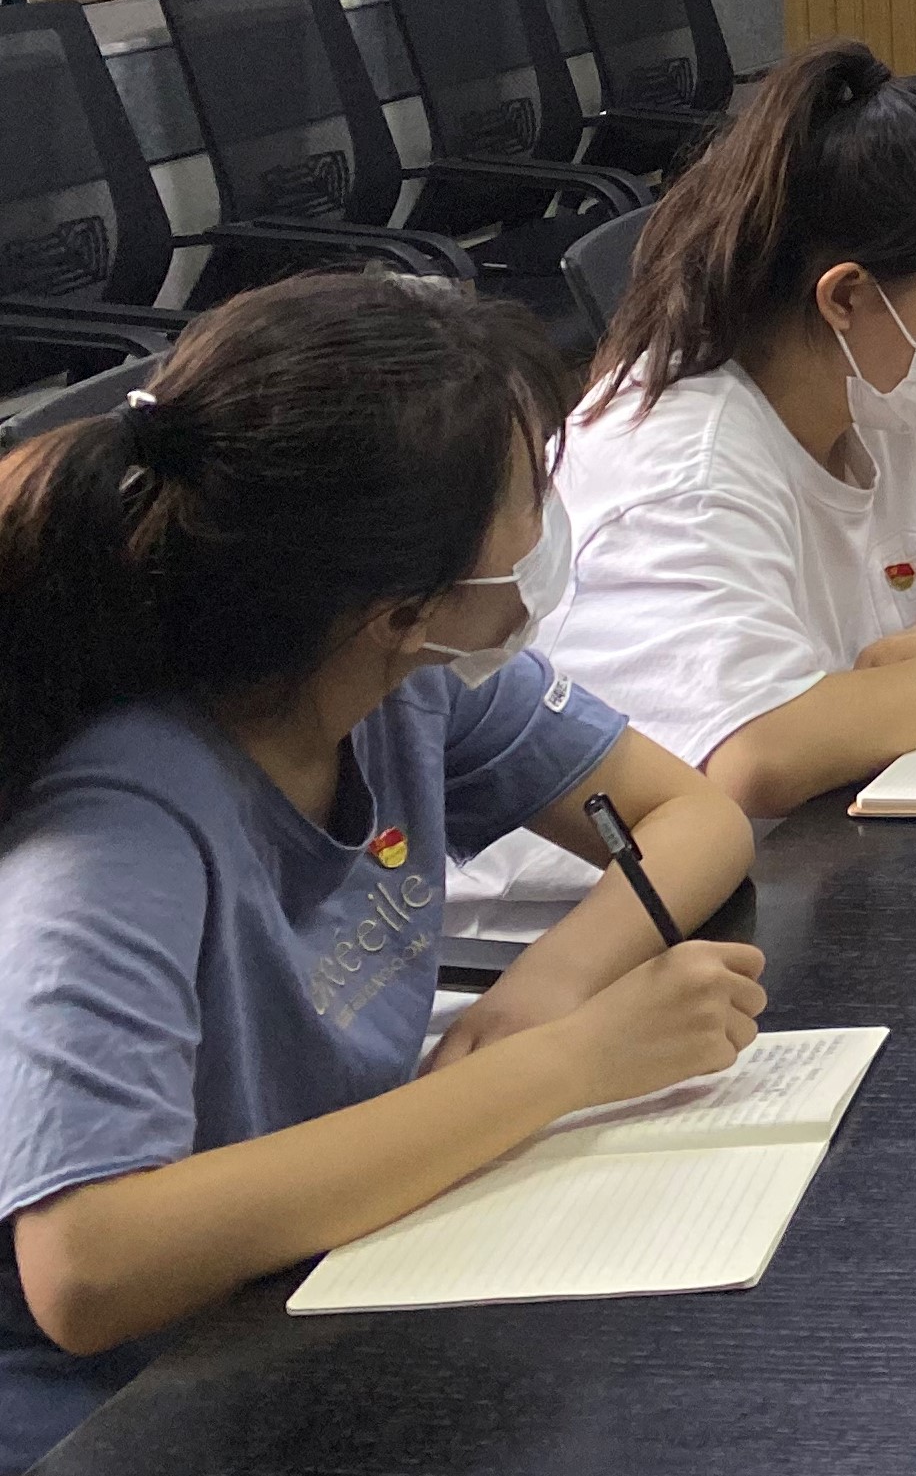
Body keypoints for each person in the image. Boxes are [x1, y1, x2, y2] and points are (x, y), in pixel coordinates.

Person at [0, 277, 762, 1464]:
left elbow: (693, 813)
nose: (548, 524)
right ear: (400, 604)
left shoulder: (401, 677)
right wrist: (572, 1061)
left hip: (321, 1274)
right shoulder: (122, 825)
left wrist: (549, 990)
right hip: (130, 1408)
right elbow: (87, 1263)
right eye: (529, 491)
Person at [525, 43, 916, 822]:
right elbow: (757, 756)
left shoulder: (884, 390)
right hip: (621, 884)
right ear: (846, 296)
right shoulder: (684, 462)